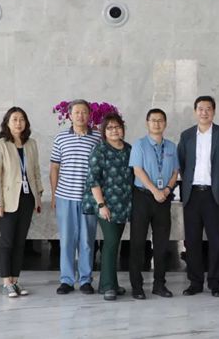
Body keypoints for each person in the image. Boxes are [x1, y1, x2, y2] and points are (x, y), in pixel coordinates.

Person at [177, 95, 219, 297]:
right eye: (200, 109)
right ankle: (195, 281)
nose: (204, 112)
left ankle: (216, 282)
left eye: (208, 108)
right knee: (192, 240)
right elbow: (182, 163)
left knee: (216, 239)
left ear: (214, 111)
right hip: (192, 194)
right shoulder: (186, 135)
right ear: (195, 112)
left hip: (214, 194)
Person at [50, 99, 101, 295]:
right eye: (76, 112)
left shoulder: (98, 138)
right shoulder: (61, 138)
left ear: (90, 115)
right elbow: (54, 168)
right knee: (67, 240)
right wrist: (54, 195)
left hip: (89, 198)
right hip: (65, 197)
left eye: (84, 112)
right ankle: (67, 280)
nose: (80, 115)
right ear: (70, 115)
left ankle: (86, 280)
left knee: (87, 241)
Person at [0, 107, 43, 298]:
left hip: (27, 198)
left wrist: (38, 197)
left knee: (20, 242)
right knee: (7, 241)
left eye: (22, 119)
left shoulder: (31, 144)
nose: (18, 123)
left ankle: (15, 280)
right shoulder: (0, 144)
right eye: (14, 119)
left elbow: (36, 171)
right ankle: (6, 282)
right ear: (7, 122)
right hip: (8, 199)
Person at [128, 108, 180, 300]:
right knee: (138, 243)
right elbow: (138, 170)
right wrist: (154, 190)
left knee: (161, 244)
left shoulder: (172, 147)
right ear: (147, 123)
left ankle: (159, 284)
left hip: (163, 198)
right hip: (142, 197)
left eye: (160, 120)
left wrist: (166, 189)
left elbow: (175, 172)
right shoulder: (139, 145)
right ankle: (137, 286)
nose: (157, 124)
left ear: (165, 124)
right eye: (153, 120)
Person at [82, 113, 133, 301]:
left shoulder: (128, 149)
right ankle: (108, 286)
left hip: (123, 204)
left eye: (117, 127)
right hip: (106, 205)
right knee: (111, 243)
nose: (114, 130)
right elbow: (93, 180)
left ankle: (110, 283)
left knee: (114, 243)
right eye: (109, 128)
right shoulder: (100, 150)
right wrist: (101, 205)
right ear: (104, 131)